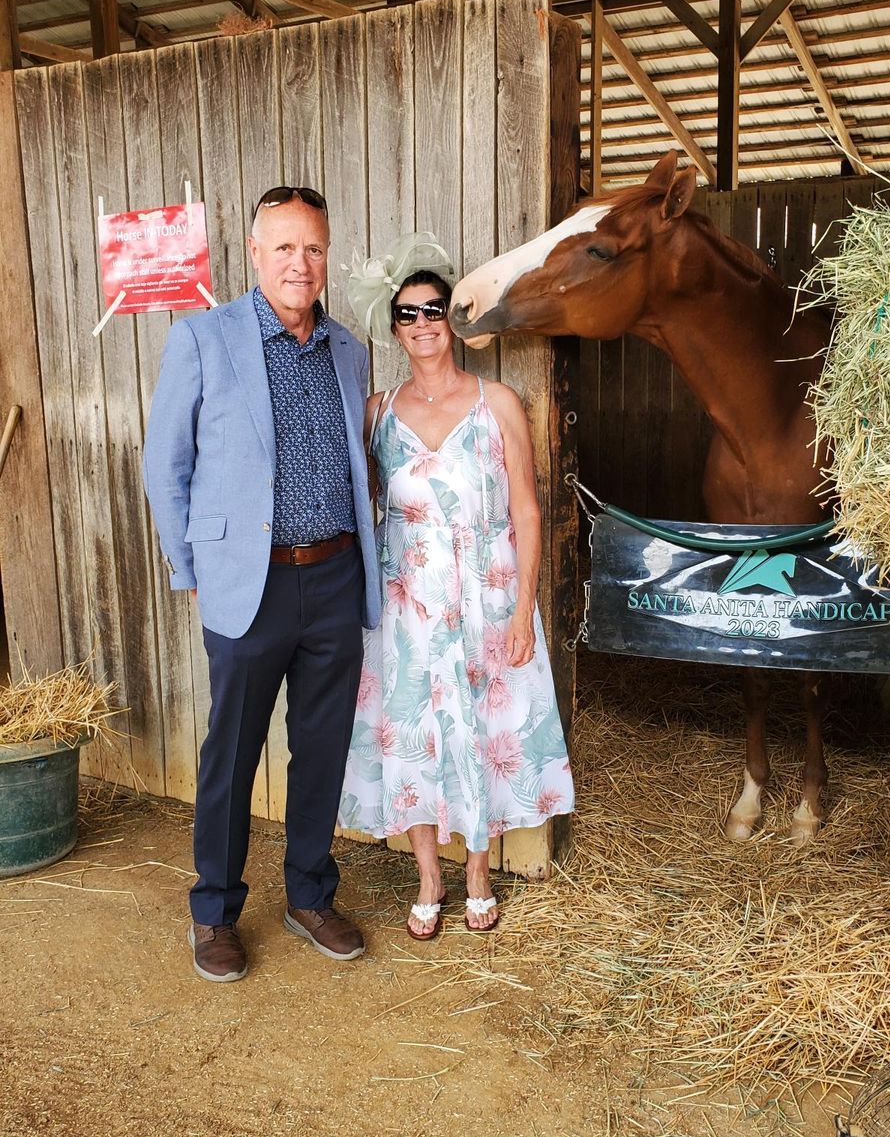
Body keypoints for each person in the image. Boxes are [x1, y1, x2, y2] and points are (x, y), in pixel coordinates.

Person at [143, 186, 381, 983]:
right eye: (283, 247)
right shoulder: (204, 340)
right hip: (248, 585)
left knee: (321, 749)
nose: (299, 263)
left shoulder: (349, 350)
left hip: (335, 576)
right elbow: (164, 465)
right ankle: (213, 911)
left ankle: (310, 895)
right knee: (231, 752)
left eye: (311, 247)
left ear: (326, 254)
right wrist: (193, 568)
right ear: (253, 253)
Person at [339, 234, 574, 939]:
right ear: (394, 328)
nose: (422, 324)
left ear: (451, 317)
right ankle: (428, 876)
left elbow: (528, 510)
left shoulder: (497, 402)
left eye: (433, 309)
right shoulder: (377, 412)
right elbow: (370, 504)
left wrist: (523, 608)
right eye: (407, 315)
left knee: (479, 730)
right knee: (413, 732)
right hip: (408, 606)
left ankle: (476, 870)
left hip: (487, 595)